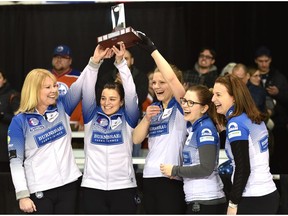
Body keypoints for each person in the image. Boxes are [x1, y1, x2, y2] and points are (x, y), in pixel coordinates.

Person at [7, 44, 109, 214]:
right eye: (48, 87)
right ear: (34, 90)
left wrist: (95, 61)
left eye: (55, 86)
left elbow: (81, 83)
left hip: (69, 186)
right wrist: (22, 195)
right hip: (40, 189)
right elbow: (15, 161)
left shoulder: (62, 106)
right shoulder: (19, 121)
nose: (55, 90)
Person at [80, 42, 140, 214]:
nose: (107, 103)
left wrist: (121, 63)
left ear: (121, 102)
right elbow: (87, 89)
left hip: (123, 186)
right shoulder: (91, 116)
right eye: (104, 98)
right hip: (93, 186)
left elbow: (131, 91)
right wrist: (95, 62)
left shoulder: (128, 117)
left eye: (112, 99)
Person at [132, 32, 186, 214]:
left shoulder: (182, 105)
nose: (156, 86)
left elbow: (171, 78)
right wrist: (146, 119)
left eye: (162, 82)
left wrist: (151, 49)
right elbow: (136, 139)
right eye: (154, 82)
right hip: (149, 176)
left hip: (171, 178)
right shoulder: (153, 108)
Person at [211, 74, 279, 214]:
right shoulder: (253, 117)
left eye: (218, 94)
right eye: (213, 94)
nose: (213, 99)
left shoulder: (236, 123)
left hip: (252, 198)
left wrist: (233, 203)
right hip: (269, 194)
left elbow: (243, 167)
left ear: (234, 97)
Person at [160, 85, 226, 214]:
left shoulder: (205, 129)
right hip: (197, 200)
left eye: (191, 103)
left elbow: (206, 168)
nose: (185, 105)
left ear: (204, 108)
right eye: (184, 101)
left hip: (206, 201)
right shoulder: (194, 127)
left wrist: (175, 170)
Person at [254, 46, 288, 213]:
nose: (264, 64)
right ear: (256, 61)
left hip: (278, 126)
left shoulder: (279, 77)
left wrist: (278, 93)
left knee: (278, 162)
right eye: (260, 61)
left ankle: (281, 199)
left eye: (266, 61)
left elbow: (287, 99)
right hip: (258, 125)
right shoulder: (253, 75)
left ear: (271, 60)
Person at [0, 70, 20, 214]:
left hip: (6, 149)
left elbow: (19, 119)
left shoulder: (13, 95)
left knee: (9, 184)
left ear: (4, 79)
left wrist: (2, 115)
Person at [51, 44, 84, 131]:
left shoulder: (80, 77)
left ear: (70, 61)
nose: (58, 60)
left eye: (63, 57)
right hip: (49, 125)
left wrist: (84, 120)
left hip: (73, 125)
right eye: (56, 57)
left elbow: (89, 100)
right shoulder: (43, 76)